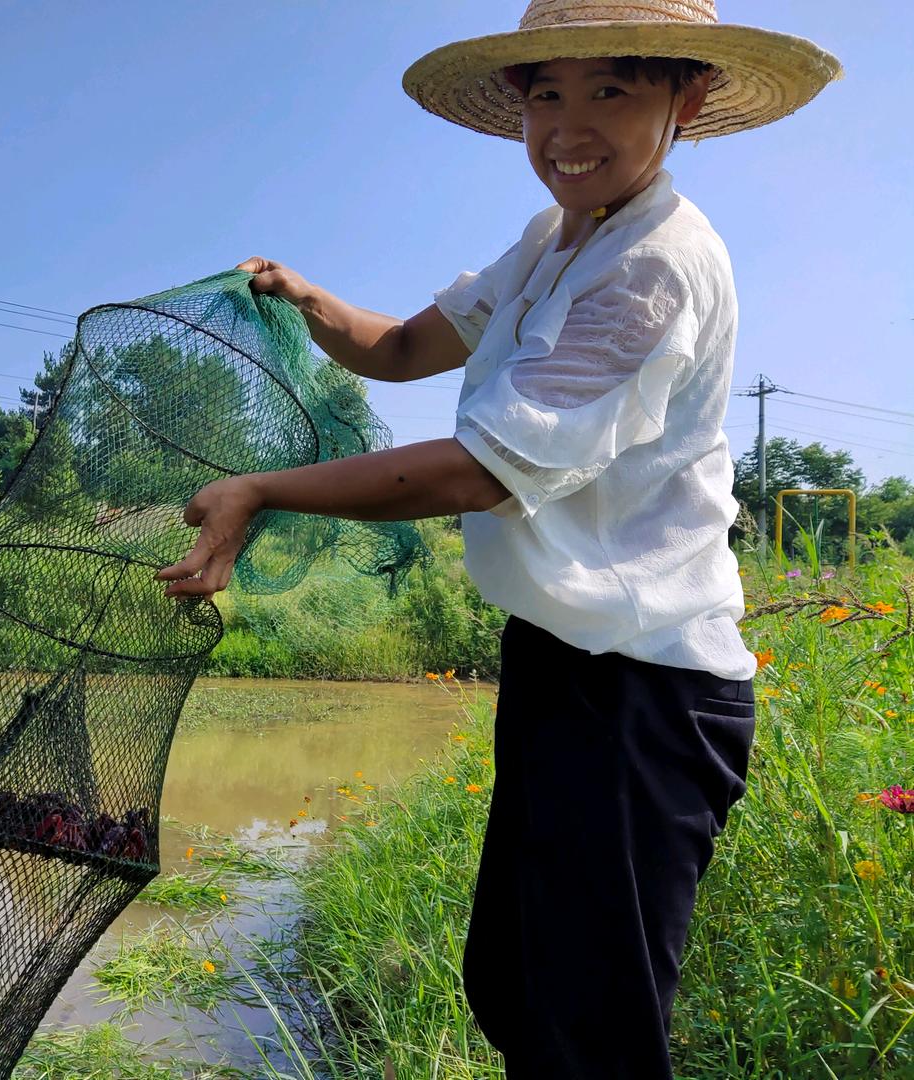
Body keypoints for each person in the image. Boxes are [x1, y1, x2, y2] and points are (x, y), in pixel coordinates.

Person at [157, 2, 841, 1075]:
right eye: (546, 95)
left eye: (611, 90)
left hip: (649, 687)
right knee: (519, 987)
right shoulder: (549, 242)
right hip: (562, 660)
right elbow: (401, 347)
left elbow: (482, 467)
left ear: (689, 96)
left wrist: (259, 490)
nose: (569, 127)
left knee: (592, 1032)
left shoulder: (654, 265)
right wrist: (304, 298)